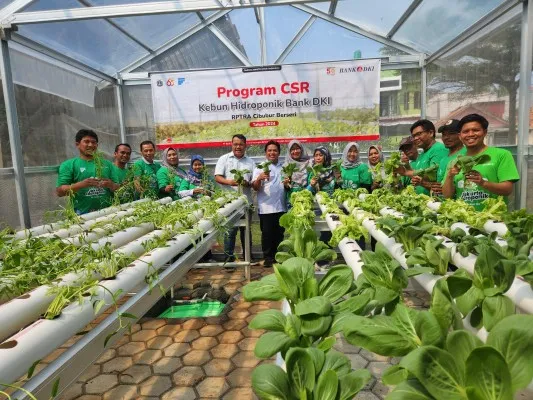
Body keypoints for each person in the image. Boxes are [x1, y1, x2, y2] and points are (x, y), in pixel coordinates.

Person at [442, 114, 519, 210]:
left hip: (493, 219)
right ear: (460, 136)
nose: (470, 134)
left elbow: (507, 189)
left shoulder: (502, 155)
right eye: (465, 131)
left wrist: (483, 183)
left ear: (485, 132)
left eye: (475, 130)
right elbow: (446, 196)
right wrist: (450, 176)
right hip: (463, 219)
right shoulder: (454, 162)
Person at [56, 129, 118, 214]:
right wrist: (81, 185)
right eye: (86, 141)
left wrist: (111, 185)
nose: (91, 145)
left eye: (94, 142)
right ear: (77, 144)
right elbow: (60, 192)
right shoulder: (69, 165)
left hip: (108, 212)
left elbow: (118, 188)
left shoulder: (108, 164)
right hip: (81, 214)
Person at [214, 134, 256, 262]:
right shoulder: (224, 159)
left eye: (241, 144)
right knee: (230, 232)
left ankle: (248, 256)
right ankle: (229, 259)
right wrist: (230, 182)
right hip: (230, 203)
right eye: (235, 144)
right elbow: (217, 177)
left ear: (245, 145)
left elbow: (253, 182)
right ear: (231, 145)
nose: (238, 147)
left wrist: (247, 183)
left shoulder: (251, 162)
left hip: (246, 202)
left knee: (246, 231)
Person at [252, 140, 286, 267]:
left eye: (275, 150)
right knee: (266, 234)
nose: (272, 153)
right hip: (266, 207)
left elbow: (287, 185)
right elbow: (255, 187)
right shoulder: (260, 167)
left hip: (281, 206)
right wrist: (259, 178)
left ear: (279, 152)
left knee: (279, 233)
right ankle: (268, 258)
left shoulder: (283, 167)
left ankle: (278, 256)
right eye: (269, 150)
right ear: (266, 153)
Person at [396, 119, 448, 195]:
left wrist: (405, 172)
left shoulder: (438, 149)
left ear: (430, 133)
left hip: (434, 202)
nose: (416, 138)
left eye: (419, 134)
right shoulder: (422, 154)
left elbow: (435, 178)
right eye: (414, 136)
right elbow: (417, 176)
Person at [433, 119, 465, 195]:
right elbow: (441, 183)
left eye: (451, 133)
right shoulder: (443, 159)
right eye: (444, 134)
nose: (446, 137)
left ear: (461, 134)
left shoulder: (467, 154)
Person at [282, 140, 310, 206]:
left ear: (301, 149)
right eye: (292, 149)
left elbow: (311, 181)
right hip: (292, 202)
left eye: (297, 148)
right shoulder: (286, 166)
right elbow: (286, 187)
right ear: (289, 151)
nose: (295, 151)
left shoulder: (308, 164)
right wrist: (286, 184)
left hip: (306, 200)